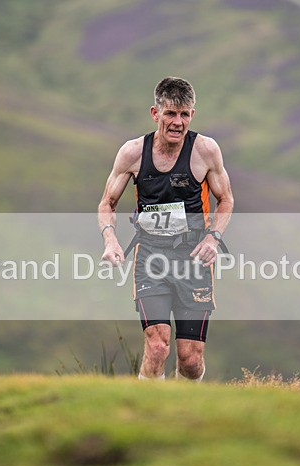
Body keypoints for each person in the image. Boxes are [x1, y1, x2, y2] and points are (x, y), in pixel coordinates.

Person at [98, 77, 234, 381]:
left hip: (194, 260)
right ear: (155, 113)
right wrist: (110, 241)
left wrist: (213, 238)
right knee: (157, 346)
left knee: (190, 358)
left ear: (192, 115)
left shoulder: (205, 151)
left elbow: (225, 199)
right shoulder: (133, 153)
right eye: (171, 113)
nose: (177, 122)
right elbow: (107, 203)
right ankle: (147, 411)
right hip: (151, 258)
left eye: (184, 114)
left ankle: (185, 413)